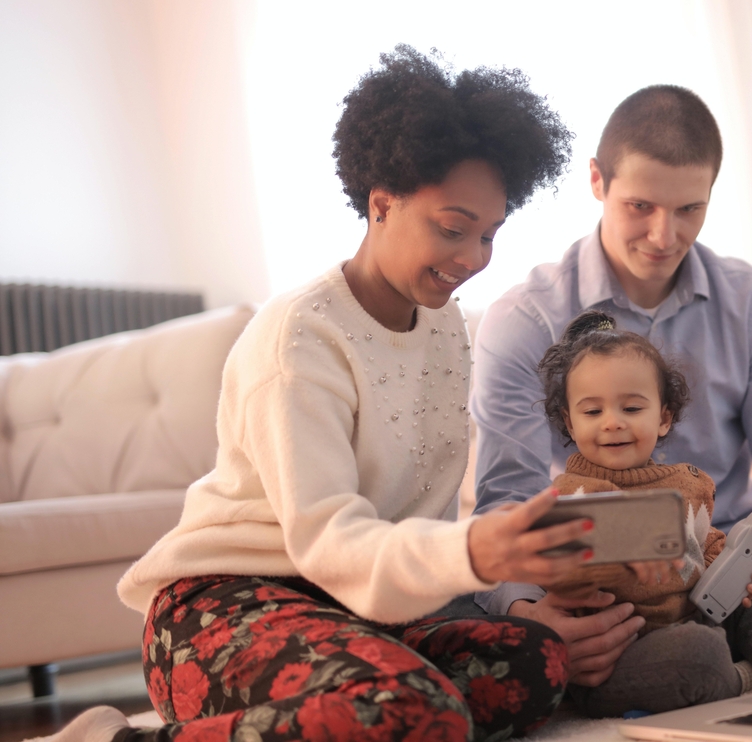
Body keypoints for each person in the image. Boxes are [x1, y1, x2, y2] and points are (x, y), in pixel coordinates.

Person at [47, 46, 581, 742]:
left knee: (534, 662)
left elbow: (413, 526)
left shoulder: (445, 326)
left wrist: (505, 589)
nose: (474, 258)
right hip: (223, 610)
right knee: (412, 712)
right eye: (453, 229)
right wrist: (472, 552)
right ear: (381, 202)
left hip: (352, 612)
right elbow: (331, 543)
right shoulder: (301, 337)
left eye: (489, 233)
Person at [470, 85, 752, 689]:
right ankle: (736, 674)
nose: (664, 235)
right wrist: (532, 615)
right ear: (596, 182)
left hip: (732, 568)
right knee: (681, 663)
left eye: (690, 209)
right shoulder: (525, 319)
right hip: (609, 589)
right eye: (641, 206)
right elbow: (507, 500)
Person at [535, 309, 752, 717]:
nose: (613, 423)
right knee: (699, 656)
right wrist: (621, 539)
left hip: (701, 615)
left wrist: (742, 582)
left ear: (664, 418)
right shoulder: (571, 494)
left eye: (632, 409)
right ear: (569, 422)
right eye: (592, 411)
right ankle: (745, 680)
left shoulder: (690, 484)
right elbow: (557, 572)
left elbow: (710, 548)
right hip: (623, 657)